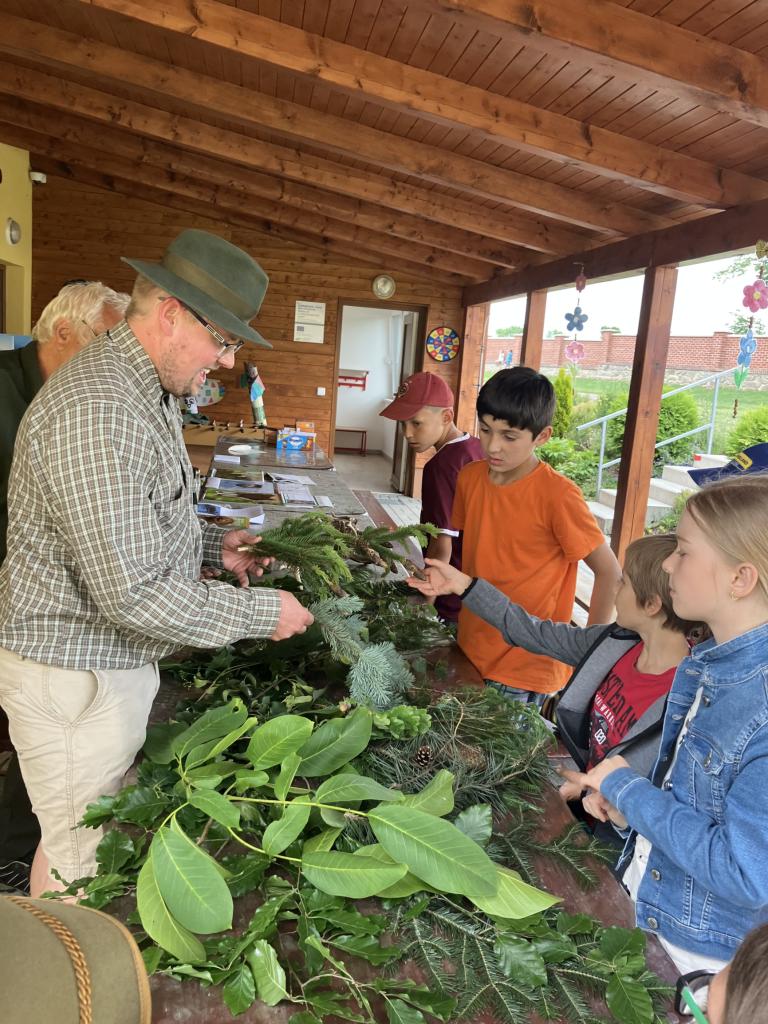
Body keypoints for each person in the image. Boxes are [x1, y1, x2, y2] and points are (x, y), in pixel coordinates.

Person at [0, 228, 314, 897]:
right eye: (222, 340)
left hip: (103, 665)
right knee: (81, 865)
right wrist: (262, 613)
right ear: (172, 314)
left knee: (81, 844)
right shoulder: (101, 409)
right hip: (75, 677)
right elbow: (134, 592)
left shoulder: (146, 389)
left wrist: (207, 545)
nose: (227, 361)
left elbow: (133, 520)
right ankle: (64, 964)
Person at [575, 476, 768, 974]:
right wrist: (631, 814)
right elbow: (698, 808)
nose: (667, 565)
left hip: (693, 963)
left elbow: (745, 873)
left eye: (683, 552)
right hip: (648, 910)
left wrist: (628, 788)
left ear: (740, 579)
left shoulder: (760, 703)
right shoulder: (710, 663)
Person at [408, 533, 699, 831]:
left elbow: (667, 798)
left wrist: (597, 794)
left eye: (624, 582)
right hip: (580, 799)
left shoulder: (689, 699)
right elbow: (534, 632)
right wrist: (464, 585)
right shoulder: (614, 643)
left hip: (620, 833)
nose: (615, 587)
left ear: (651, 605)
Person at [0, 281, 129, 893]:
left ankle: (17, 851)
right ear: (63, 333)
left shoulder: (74, 397)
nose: (116, 359)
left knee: (40, 740)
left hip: (31, 603)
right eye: (106, 341)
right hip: (21, 601)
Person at [450, 367, 621, 703]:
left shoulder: (558, 495)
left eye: (509, 436)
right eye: (485, 430)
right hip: (469, 644)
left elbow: (610, 572)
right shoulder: (469, 477)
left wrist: (591, 654)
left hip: (525, 664)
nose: (493, 446)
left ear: (542, 436)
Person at [380, 372, 483, 622]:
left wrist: (422, 612)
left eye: (416, 423)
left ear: (446, 417)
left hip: (450, 597)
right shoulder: (476, 448)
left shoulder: (441, 466)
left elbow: (441, 543)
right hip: (479, 591)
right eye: (403, 424)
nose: (407, 433)